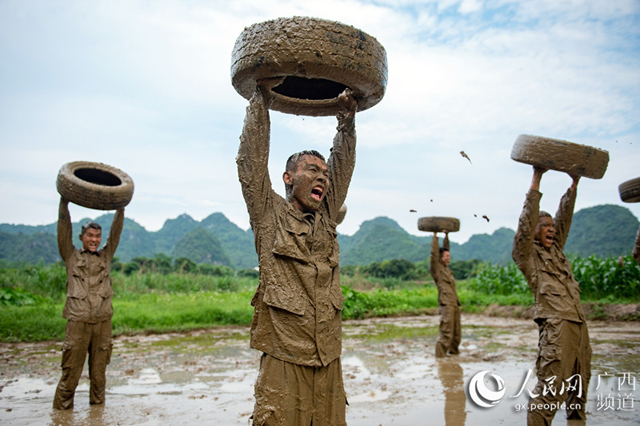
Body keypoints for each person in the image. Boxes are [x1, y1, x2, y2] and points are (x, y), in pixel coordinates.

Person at [236, 79, 357, 426]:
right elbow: (250, 161)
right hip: (285, 358)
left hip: (328, 357)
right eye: (312, 170)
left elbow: (343, 167)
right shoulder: (268, 213)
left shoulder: (327, 219)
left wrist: (346, 122)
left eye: (324, 173)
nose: (323, 177)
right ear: (288, 178)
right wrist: (262, 97)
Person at [512, 167, 591, 425]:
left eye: (552, 227)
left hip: (579, 328)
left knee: (578, 396)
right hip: (557, 329)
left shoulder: (557, 250)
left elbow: (564, 218)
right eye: (544, 225)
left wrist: (574, 184)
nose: (551, 229)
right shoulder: (527, 256)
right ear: (534, 230)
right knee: (549, 395)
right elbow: (525, 224)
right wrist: (537, 178)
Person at [53, 198, 124, 410]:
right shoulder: (71, 256)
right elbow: (63, 228)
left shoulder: (106, 257)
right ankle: (61, 418)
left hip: (103, 324)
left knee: (99, 377)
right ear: (82, 237)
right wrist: (64, 202)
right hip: (77, 323)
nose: (94, 240)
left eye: (97, 236)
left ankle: (97, 417)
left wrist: (120, 208)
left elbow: (116, 233)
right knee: (70, 376)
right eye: (90, 236)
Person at [430, 232, 461, 358]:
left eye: (449, 256)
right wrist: (435, 236)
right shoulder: (437, 270)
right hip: (446, 304)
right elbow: (434, 255)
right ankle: (440, 358)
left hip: (454, 304)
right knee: (446, 332)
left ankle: (454, 356)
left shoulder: (447, 269)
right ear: (440, 258)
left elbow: (446, 248)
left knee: (456, 333)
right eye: (446, 256)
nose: (449, 258)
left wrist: (446, 236)